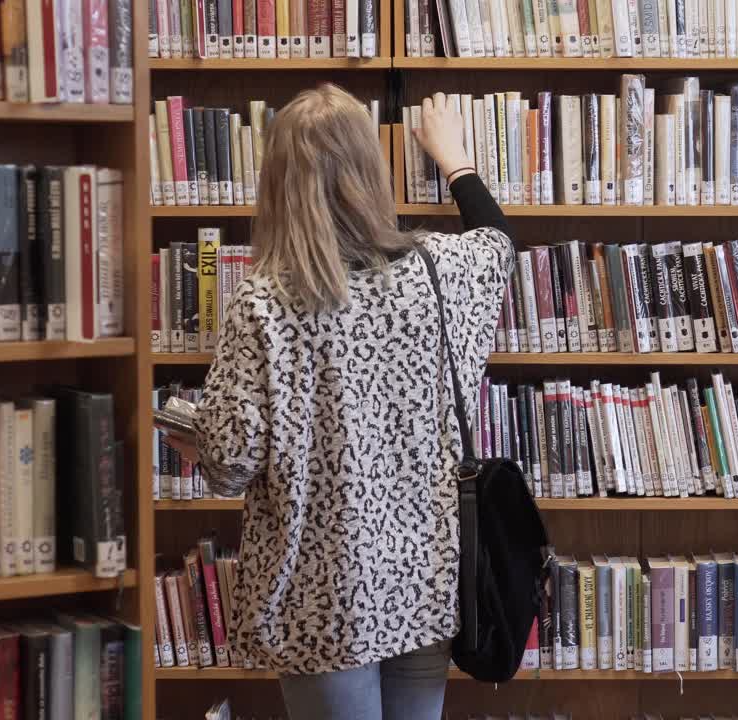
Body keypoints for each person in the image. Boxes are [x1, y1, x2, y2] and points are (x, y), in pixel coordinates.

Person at [164, 84, 513, 719]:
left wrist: (198, 439)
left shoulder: (262, 302)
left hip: (318, 598)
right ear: (371, 174)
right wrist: (454, 158)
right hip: (423, 579)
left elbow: (231, 463)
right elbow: (497, 243)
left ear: (279, 185)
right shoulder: (443, 272)